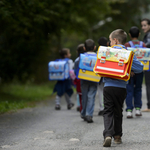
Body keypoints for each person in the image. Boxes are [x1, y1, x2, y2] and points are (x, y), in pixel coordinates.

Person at [102, 29, 143, 147]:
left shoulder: (107, 52)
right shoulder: (128, 53)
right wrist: (130, 69)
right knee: (118, 111)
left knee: (108, 110)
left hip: (108, 86)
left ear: (115, 40)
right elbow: (140, 68)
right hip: (121, 87)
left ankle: (108, 134)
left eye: (110, 41)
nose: (109, 43)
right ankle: (117, 136)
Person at [125, 26, 146, 118]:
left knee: (129, 90)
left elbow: (126, 58)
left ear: (129, 35)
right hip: (140, 71)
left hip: (130, 72)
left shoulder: (127, 45)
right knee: (138, 89)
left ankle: (129, 110)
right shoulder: (143, 44)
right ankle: (138, 109)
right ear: (139, 34)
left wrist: (131, 69)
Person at [80, 39, 97, 123]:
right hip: (94, 79)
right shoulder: (98, 56)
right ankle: (89, 114)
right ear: (94, 47)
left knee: (84, 96)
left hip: (84, 78)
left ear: (84, 48)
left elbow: (76, 66)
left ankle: (83, 113)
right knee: (91, 96)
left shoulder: (82, 57)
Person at [97, 37, 108, 116]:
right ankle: (108, 107)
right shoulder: (111, 52)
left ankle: (102, 108)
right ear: (107, 43)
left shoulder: (98, 52)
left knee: (100, 91)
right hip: (108, 75)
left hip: (100, 76)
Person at [141, 18, 150, 112]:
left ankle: (149, 106)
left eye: (145, 25)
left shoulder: (148, 36)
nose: (143, 27)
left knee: (148, 84)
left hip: (149, 63)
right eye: (142, 25)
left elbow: (146, 47)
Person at [74, 43, 85, 112]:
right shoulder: (87, 58)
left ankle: (79, 105)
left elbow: (75, 70)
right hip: (86, 78)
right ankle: (84, 106)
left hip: (78, 78)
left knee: (79, 94)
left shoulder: (76, 60)